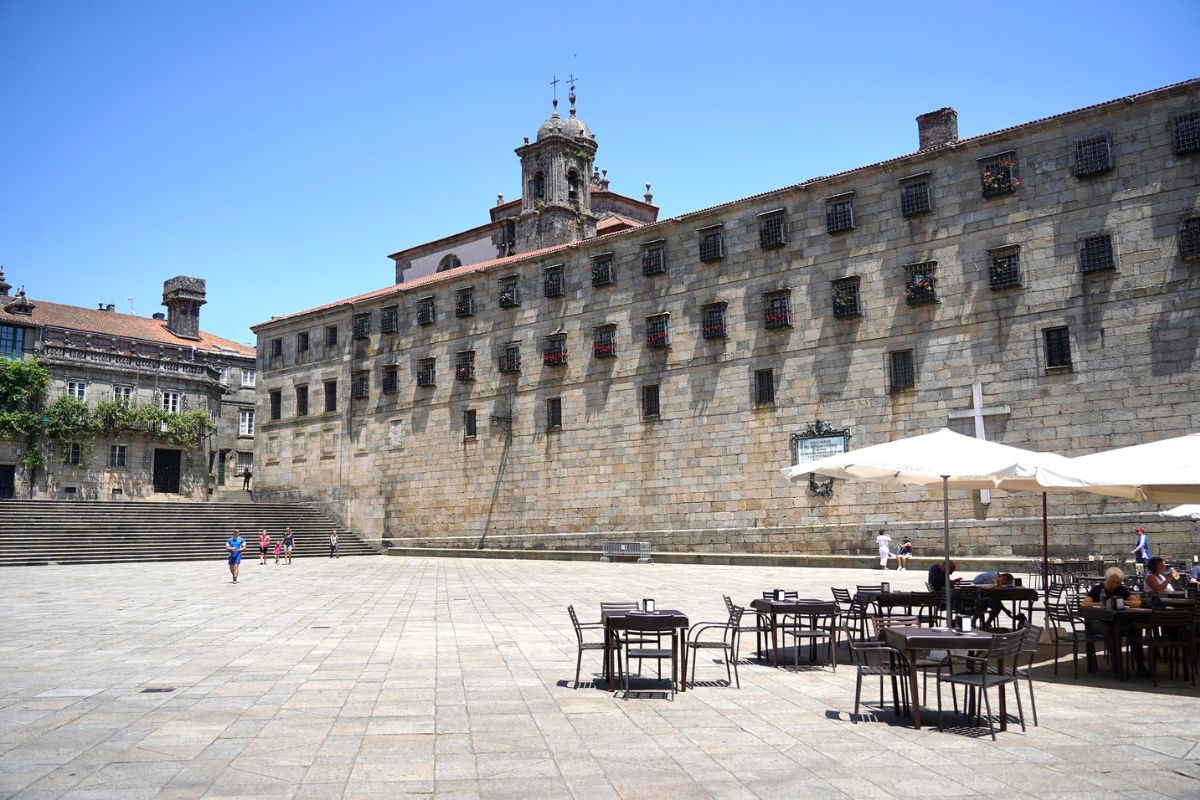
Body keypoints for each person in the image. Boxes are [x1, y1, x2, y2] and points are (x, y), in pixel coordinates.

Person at [1082, 566, 1150, 677]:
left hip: (1116, 621)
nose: (1114, 585)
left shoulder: (1120, 589)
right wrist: (1102, 604)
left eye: (1117, 582)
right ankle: (1117, 665)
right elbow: (1085, 603)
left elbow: (1133, 599)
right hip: (1098, 622)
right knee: (1111, 632)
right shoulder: (1098, 589)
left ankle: (1140, 664)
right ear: (1107, 579)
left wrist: (1127, 601)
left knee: (1134, 630)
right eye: (1112, 582)